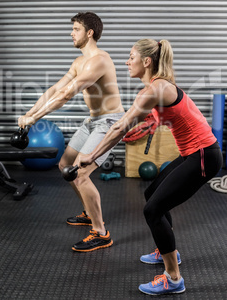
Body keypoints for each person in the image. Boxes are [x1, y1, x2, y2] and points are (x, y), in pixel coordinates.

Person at [76, 38, 223, 295]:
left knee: (153, 210)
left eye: (131, 57)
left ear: (146, 61)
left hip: (203, 156)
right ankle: (169, 252)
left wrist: (91, 155)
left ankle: (173, 278)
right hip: (193, 153)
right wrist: (148, 123)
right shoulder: (158, 86)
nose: (126, 62)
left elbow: (120, 126)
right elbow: (161, 115)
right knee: (151, 194)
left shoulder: (153, 90)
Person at [18, 12, 125, 252]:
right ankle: (89, 212)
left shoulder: (99, 60)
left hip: (110, 122)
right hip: (93, 120)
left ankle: (101, 233)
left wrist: (35, 118)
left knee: (80, 174)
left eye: (76, 29)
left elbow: (67, 94)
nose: (71, 33)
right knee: (65, 164)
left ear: (89, 33)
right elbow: (55, 89)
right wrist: (29, 113)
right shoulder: (78, 62)